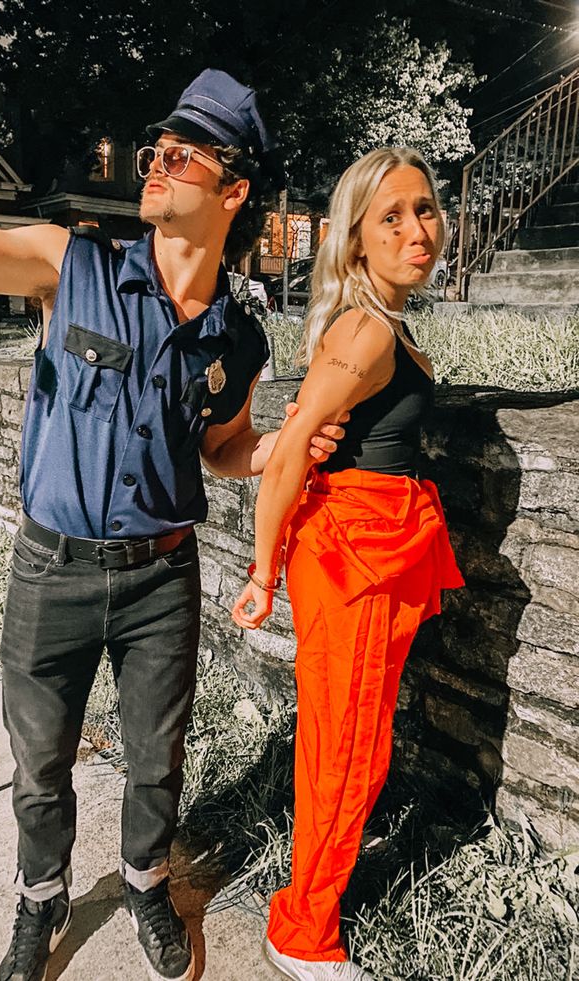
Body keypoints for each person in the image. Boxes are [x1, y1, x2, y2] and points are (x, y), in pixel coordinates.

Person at [0, 70, 346, 981]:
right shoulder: (67, 266)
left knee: (156, 759)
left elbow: (220, 450)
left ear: (233, 190)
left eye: (186, 153)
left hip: (163, 579)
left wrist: (281, 445)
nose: (157, 163)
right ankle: (41, 900)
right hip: (52, 572)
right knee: (39, 763)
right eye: (159, 148)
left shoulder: (237, 336)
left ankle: (146, 883)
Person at [232, 146, 464, 981]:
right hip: (358, 554)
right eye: (392, 216)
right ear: (356, 239)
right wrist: (260, 572)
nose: (417, 229)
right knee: (348, 748)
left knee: (347, 739)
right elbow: (293, 449)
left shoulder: (381, 321)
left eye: (426, 208)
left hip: (374, 544)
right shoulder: (366, 327)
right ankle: (301, 933)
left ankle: (306, 907)